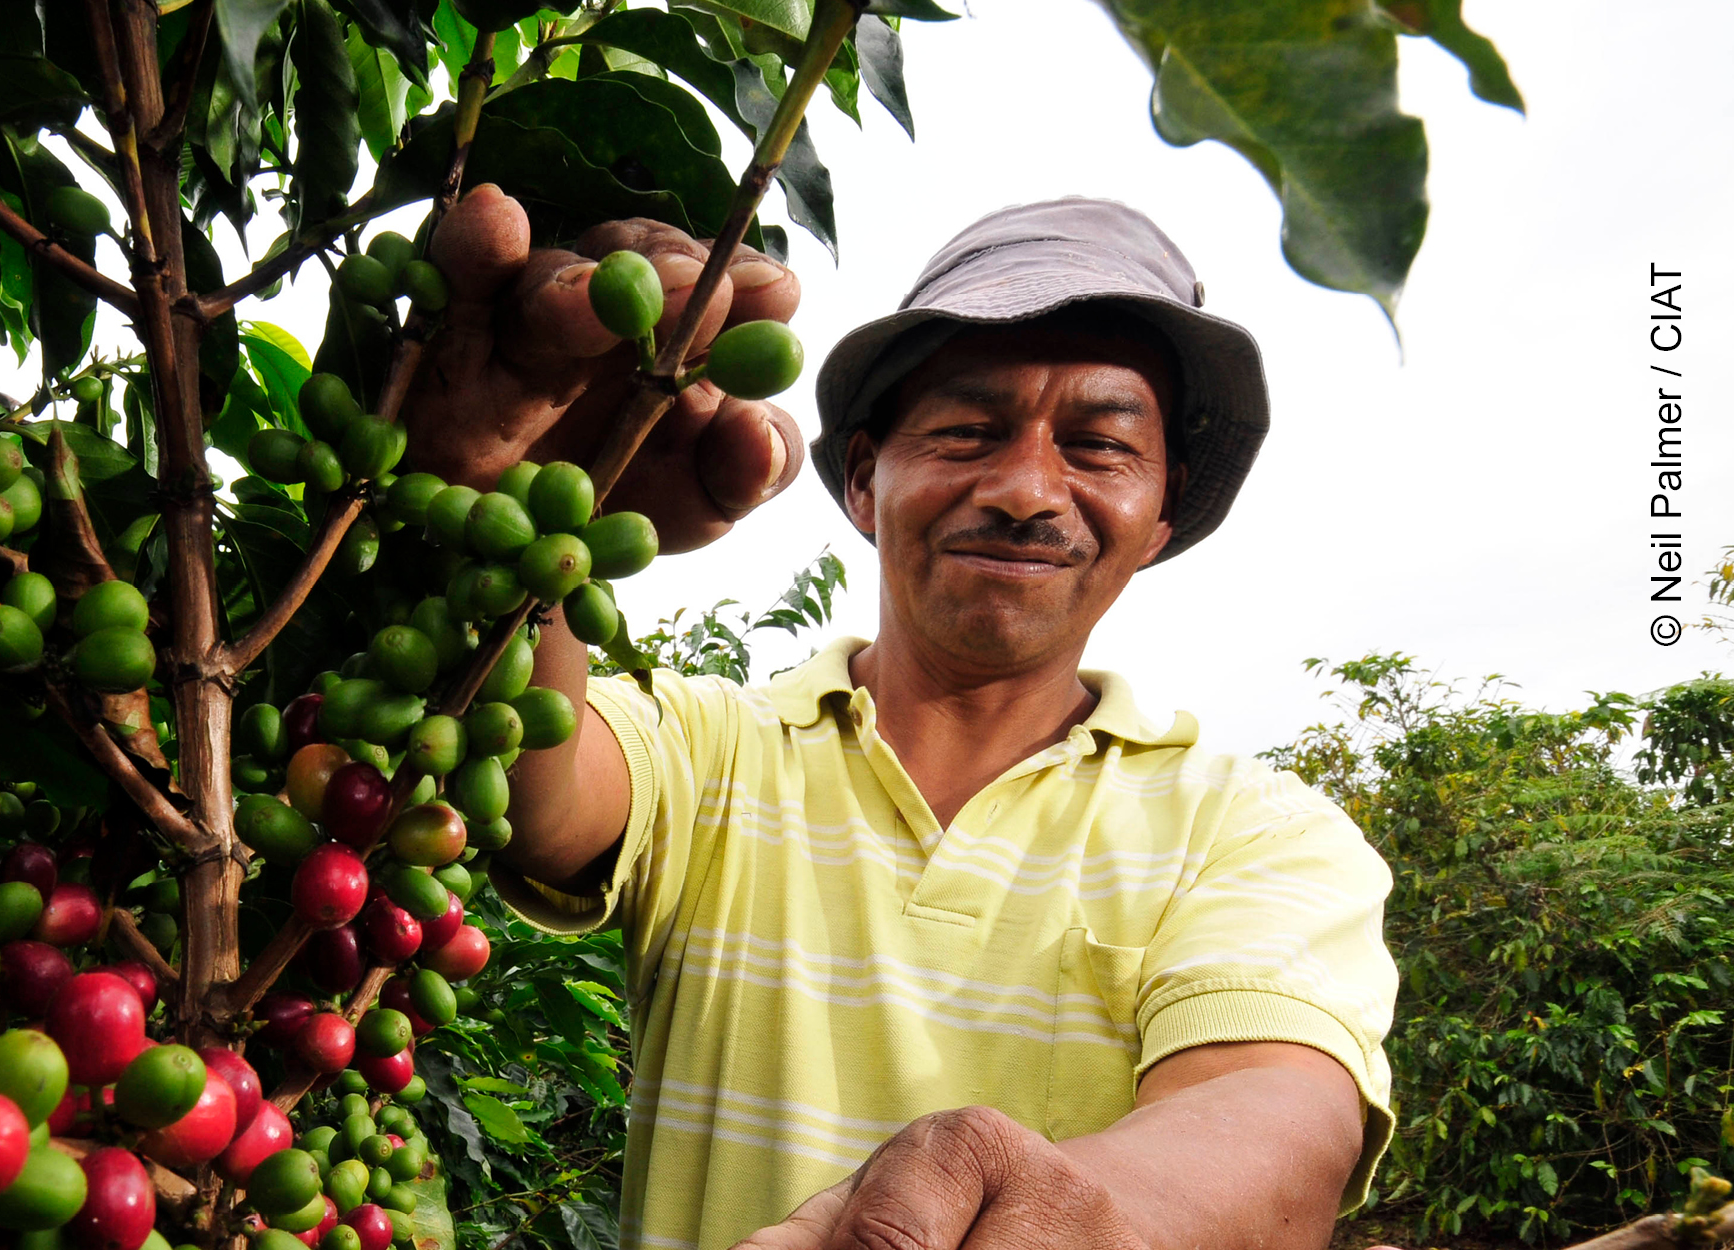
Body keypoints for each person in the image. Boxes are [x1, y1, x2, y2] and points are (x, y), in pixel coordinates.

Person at [399, 190, 1399, 1250]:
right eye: (967, 431)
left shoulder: (1256, 833)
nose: (1024, 489)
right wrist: (508, 493)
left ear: (1160, 512)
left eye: (1098, 445)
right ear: (865, 481)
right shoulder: (713, 749)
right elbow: (537, 786)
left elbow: (1275, 1126)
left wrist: (1056, 1207)